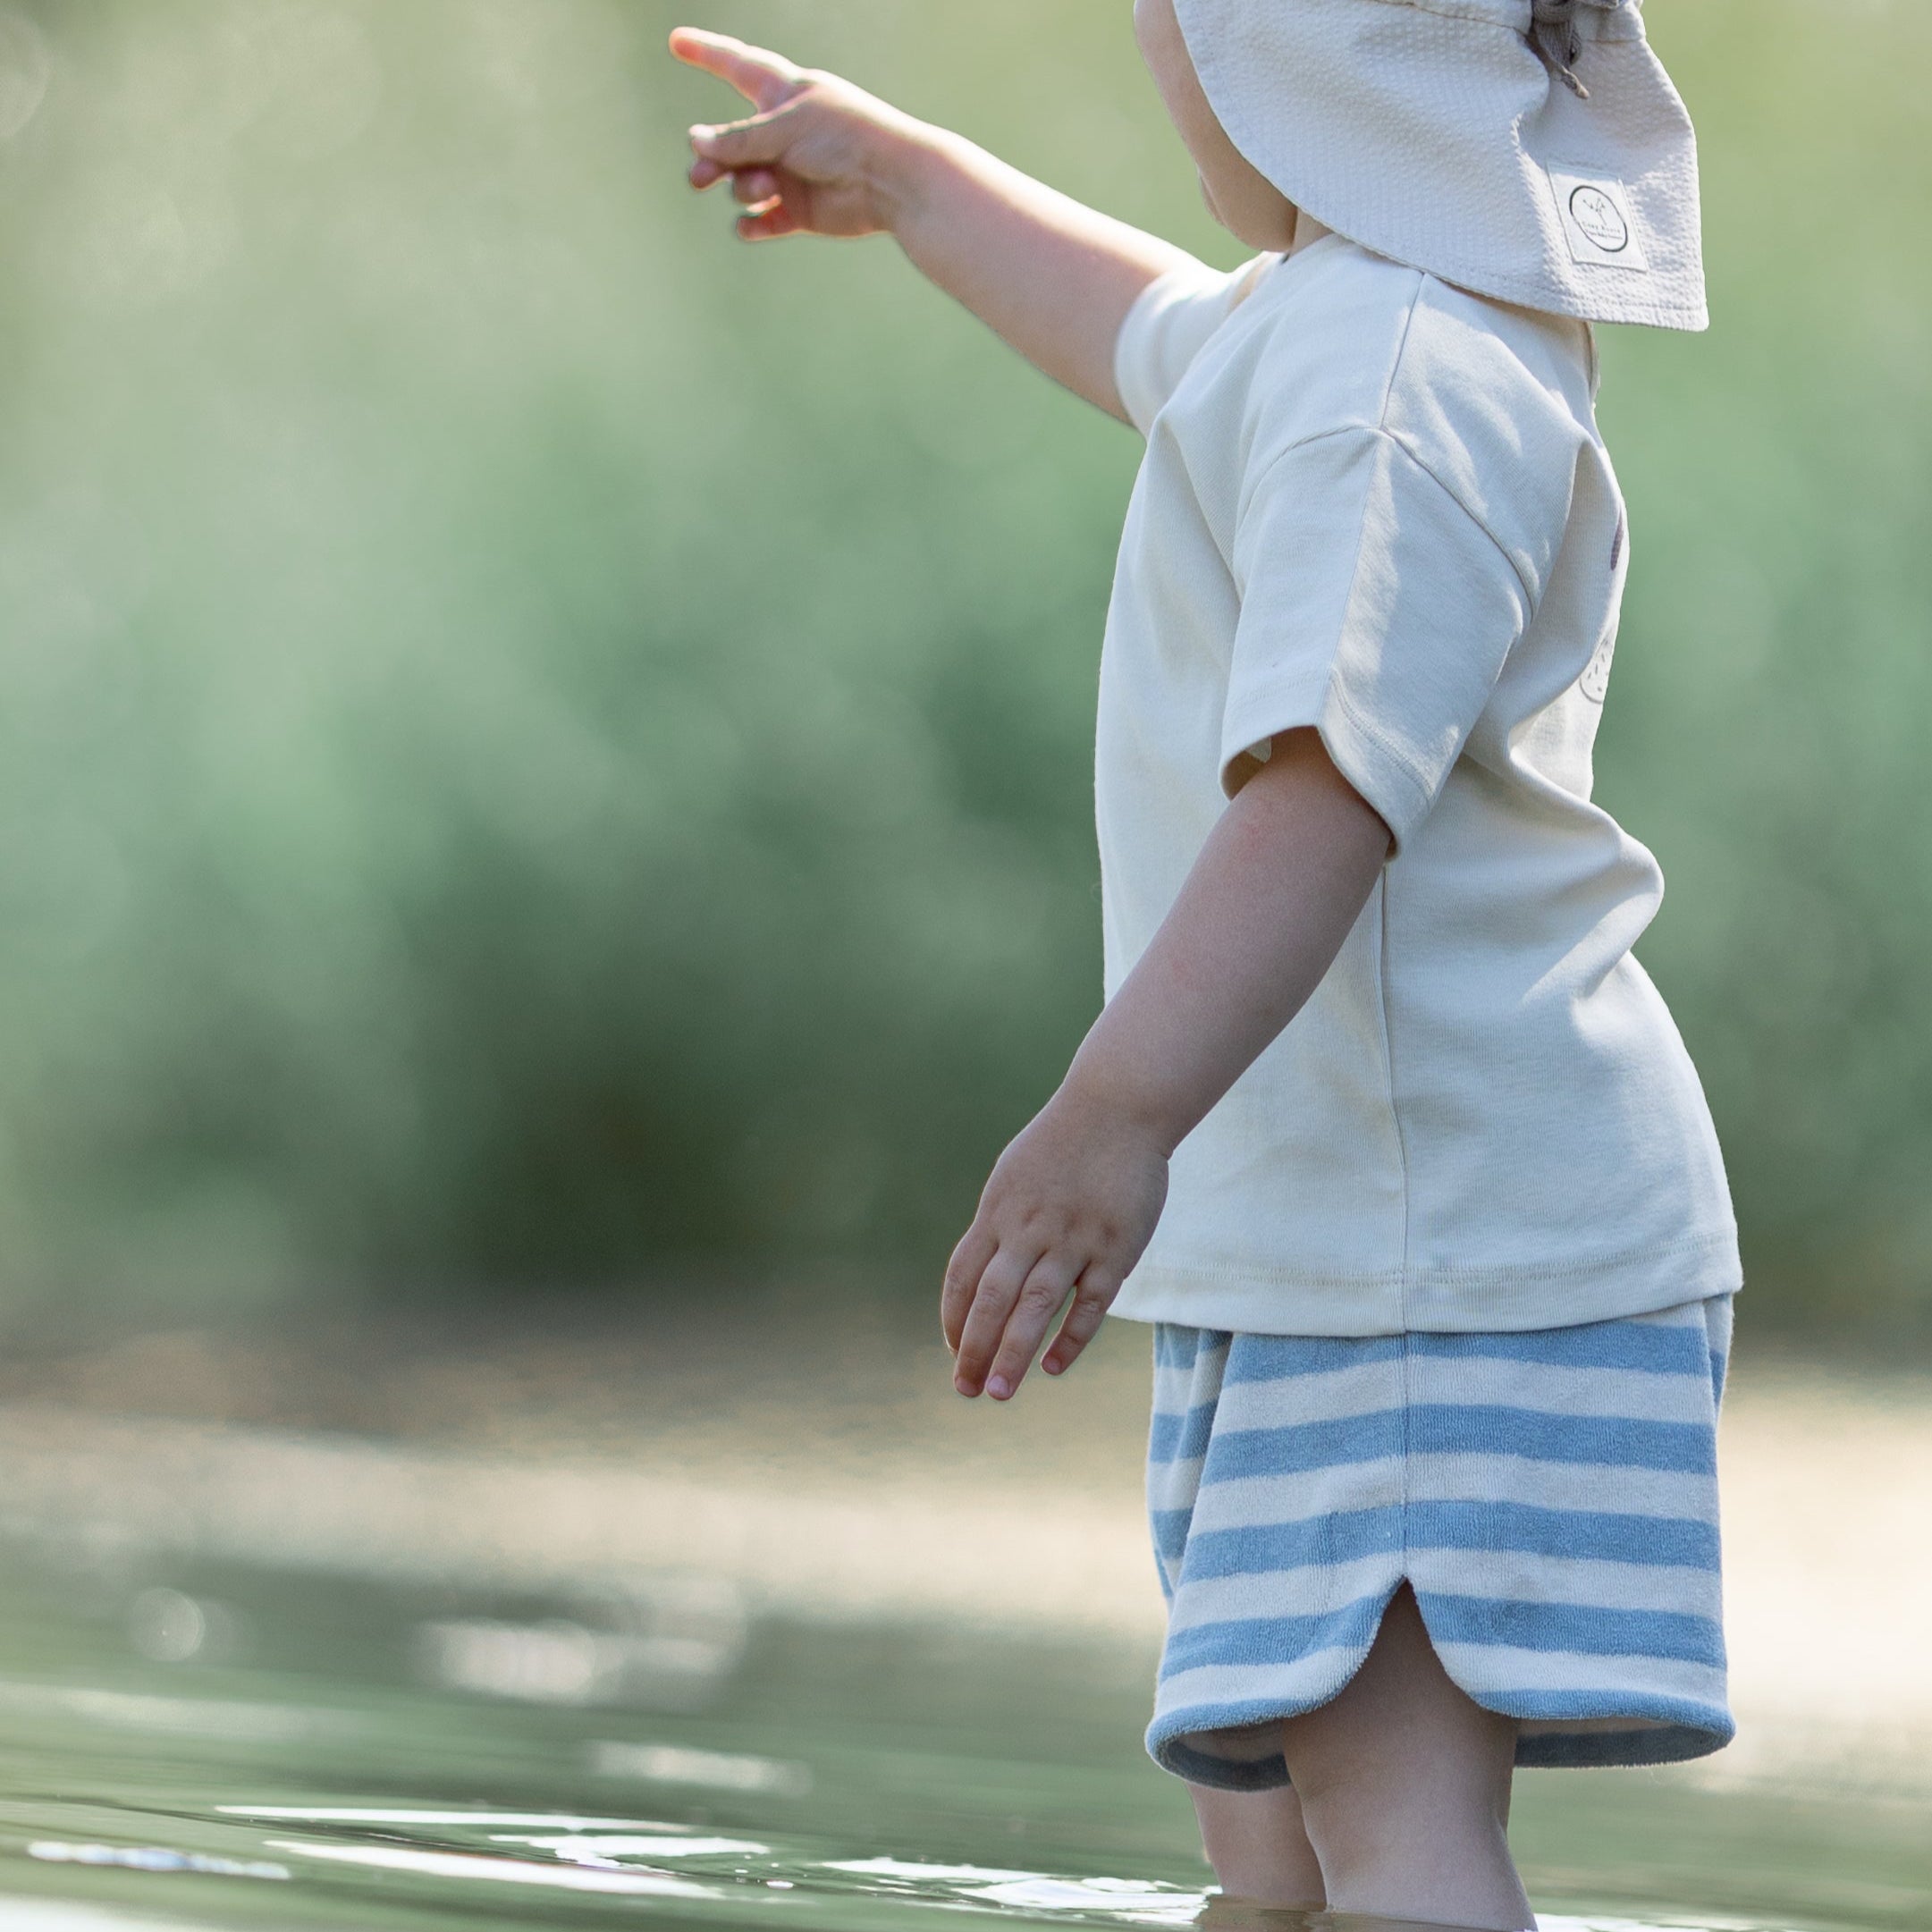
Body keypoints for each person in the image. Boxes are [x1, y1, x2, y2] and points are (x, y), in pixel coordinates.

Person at [673, 4, 1737, 1926]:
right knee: (1274, 1851)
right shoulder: (1353, 325)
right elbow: (1149, 333)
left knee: (1387, 1820)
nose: (1164, 72)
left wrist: (1111, 1119)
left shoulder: (1390, 378)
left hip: (1437, 1249)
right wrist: (909, 179)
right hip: (1361, 1240)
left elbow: (1325, 792)